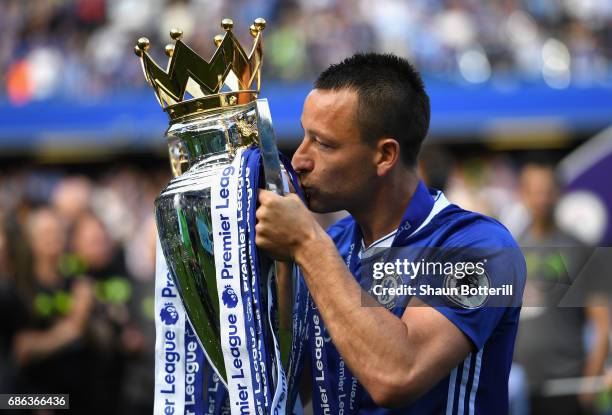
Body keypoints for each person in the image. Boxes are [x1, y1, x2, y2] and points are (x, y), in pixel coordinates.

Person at [255, 53, 526, 413]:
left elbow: (398, 373)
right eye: (305, 136)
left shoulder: (482, 248)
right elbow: (290, 383)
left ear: (384, 155)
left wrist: (307, 245)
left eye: (324, 143)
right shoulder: (334, 244)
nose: (300, 159)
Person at [513, 162, 609, 415]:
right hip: (518, 387)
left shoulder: (582, 250)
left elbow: (602, 326)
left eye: (547, 190)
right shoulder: (511, 248)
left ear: (559, 193)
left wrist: (589, 384)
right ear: (521, 194)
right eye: (533, 191)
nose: (541, 198)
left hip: (566, 385)